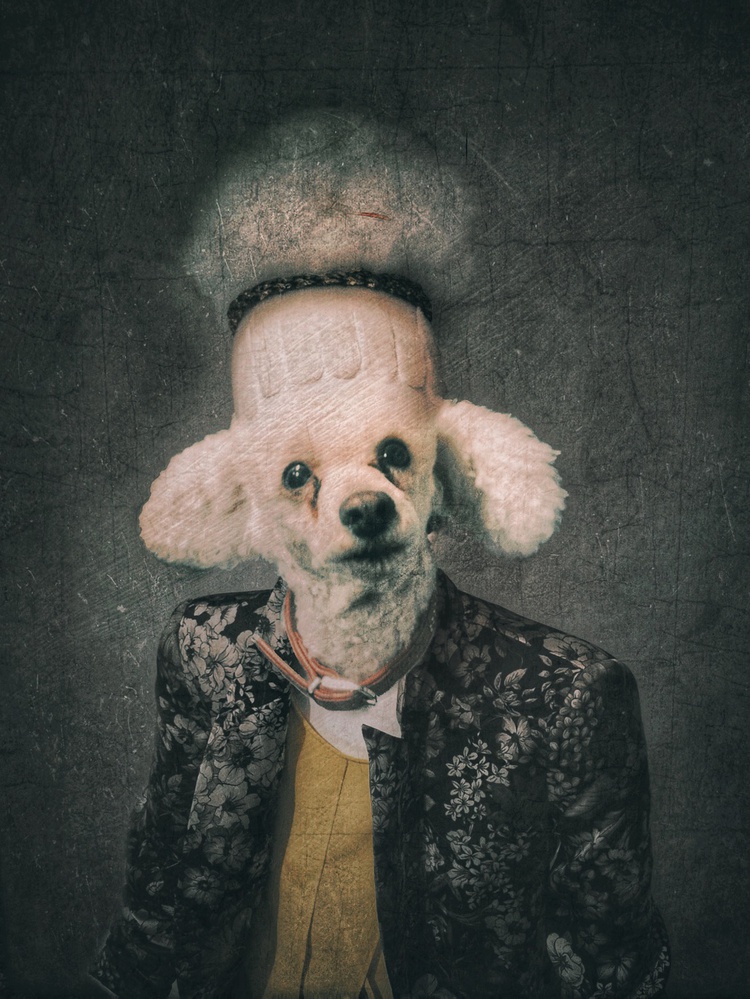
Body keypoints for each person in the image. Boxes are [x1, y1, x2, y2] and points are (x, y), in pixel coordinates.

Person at [90, 270, 669, 999]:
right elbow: (160, 883)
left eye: (392, 453)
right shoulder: (206, 647)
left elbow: (611, 960)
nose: (362, 499)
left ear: (444, 475)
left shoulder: (566, 694)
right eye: (298, 473)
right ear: (253, 508)